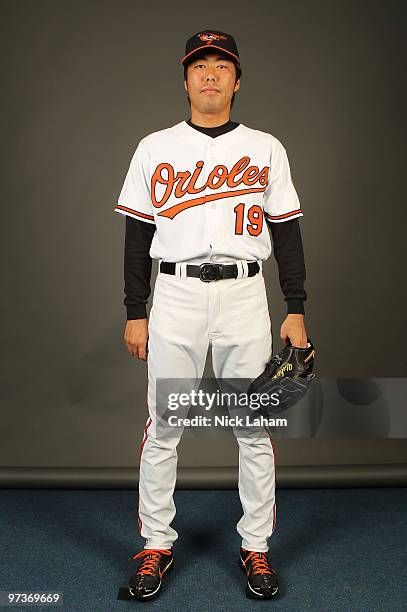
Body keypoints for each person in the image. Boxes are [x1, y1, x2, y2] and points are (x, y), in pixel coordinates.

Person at [114, 29, 309, 601]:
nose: (209, 74)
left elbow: (288, 231)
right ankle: (155, 544)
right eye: (199, 64)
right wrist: (135, 309)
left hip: (247, 297)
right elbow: (136, 232)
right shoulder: (155, 147)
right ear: (185, 78)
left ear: (237, 79)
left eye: (221, 65)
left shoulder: (266, 146)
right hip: (174, 295)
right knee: (164, 425)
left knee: (253, 428)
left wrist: (295, 307)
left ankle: (256, 548)